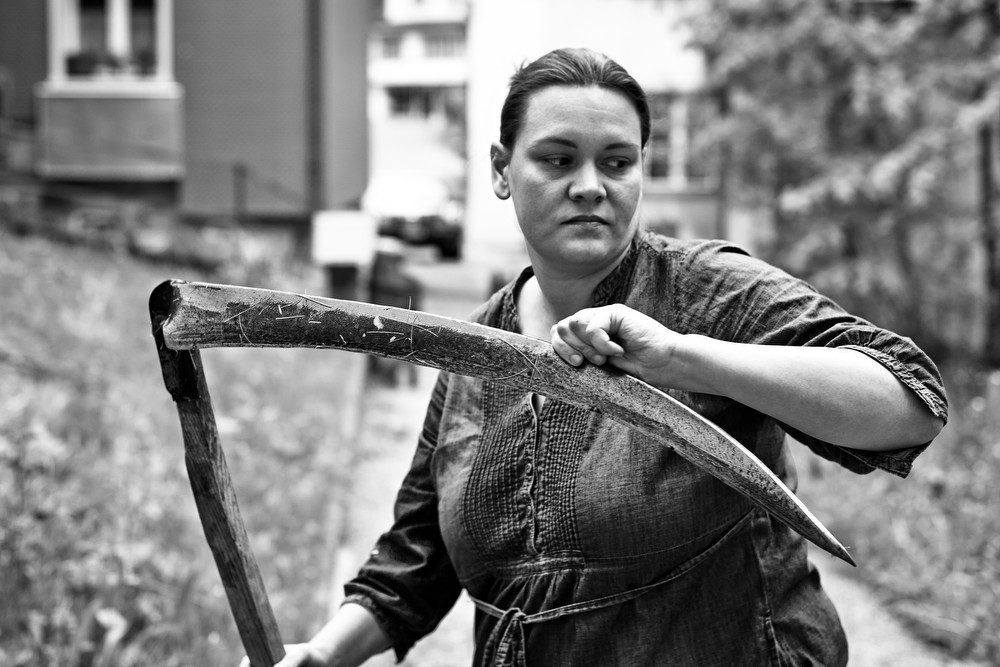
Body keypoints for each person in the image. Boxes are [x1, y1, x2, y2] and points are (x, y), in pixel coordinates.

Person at [242, 47, 947, 667]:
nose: (590, 185)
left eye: (617, 162)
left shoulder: (708, 290)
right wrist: (323, 655)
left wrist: (682, 359)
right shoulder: (476, 348)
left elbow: (909, 403)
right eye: (557, 159)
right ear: (501, 170)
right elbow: (418, 555)